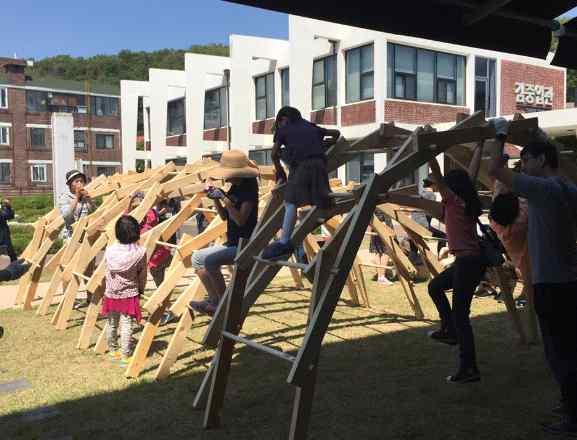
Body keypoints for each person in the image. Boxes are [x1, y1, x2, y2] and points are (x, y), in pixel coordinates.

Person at [488, 119, 577, 436]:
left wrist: (499, 134)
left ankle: (572, 416)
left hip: (551, 284)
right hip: (569, 280)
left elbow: (495, 170)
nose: (522, 165)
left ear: (541, 160)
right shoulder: (568, 188)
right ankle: (571, 405)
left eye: (526, 158)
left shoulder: (543, 190)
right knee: (570, 347)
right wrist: (541, 138)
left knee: (558, 352)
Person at [425, 142, 486, 384]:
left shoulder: (452, 201)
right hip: (469, 262)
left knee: (462, 315)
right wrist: (479, 147)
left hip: (467, 263)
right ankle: (449, 330)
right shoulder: (466, 199)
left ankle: (469, 368)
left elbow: (439, 177)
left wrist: (430, 153)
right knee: (435, 287)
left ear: (451, 188)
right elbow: (471, 172)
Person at [263, 106, 340, 260]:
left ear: (283, 119)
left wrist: (280, 173)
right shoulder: (311, 126)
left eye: (279, 122)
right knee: (321, 199)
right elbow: (336, 134)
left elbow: (273, 153)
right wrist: (323, 145)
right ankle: (314, 212)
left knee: (290, 203)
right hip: (320, 166)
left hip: (302, 166)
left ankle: (284, 243)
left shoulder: (284, 129)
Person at [188, 150, 259, 316]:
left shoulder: (249, 192)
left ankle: (223, 303)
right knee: (197, 258)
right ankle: (214, 301)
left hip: (245, 244)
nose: (225, 177)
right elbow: (224, 217)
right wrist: (216, 199)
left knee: (211, 262)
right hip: (234, 242)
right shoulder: (235, 188)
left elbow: (241, 220)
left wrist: (224, 199)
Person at [101, 215, 147, 364]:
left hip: (111, 292)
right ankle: (125, 355)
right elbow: (142, 274)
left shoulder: (109, 250)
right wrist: (141, 289)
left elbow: (107, 271)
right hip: (129, 293)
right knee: (127, 324)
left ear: (117, 232)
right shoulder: (140, 252)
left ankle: (113, 350)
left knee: (112, 323)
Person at [58, 169, 95, 308]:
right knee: (68, 268)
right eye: (76, 181)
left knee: (89, 269)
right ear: (70, 184)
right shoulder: (65, 197)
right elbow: (66, 215)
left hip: (86, 236)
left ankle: (90, 297)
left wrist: (89, 198)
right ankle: (68, 300)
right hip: (71, 237)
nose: (80, 183)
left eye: (81, 181)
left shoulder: (86, 196)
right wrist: (76, 198)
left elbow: (94, 211)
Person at [126, 192, 172, 288]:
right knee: (156, 271)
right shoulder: (137, 218)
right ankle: (163, 294)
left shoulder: (150, 214)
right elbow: (126, 216)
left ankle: (163, 293)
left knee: (157, 269)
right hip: (153, 252)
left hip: (157, 251)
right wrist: (131, 201)